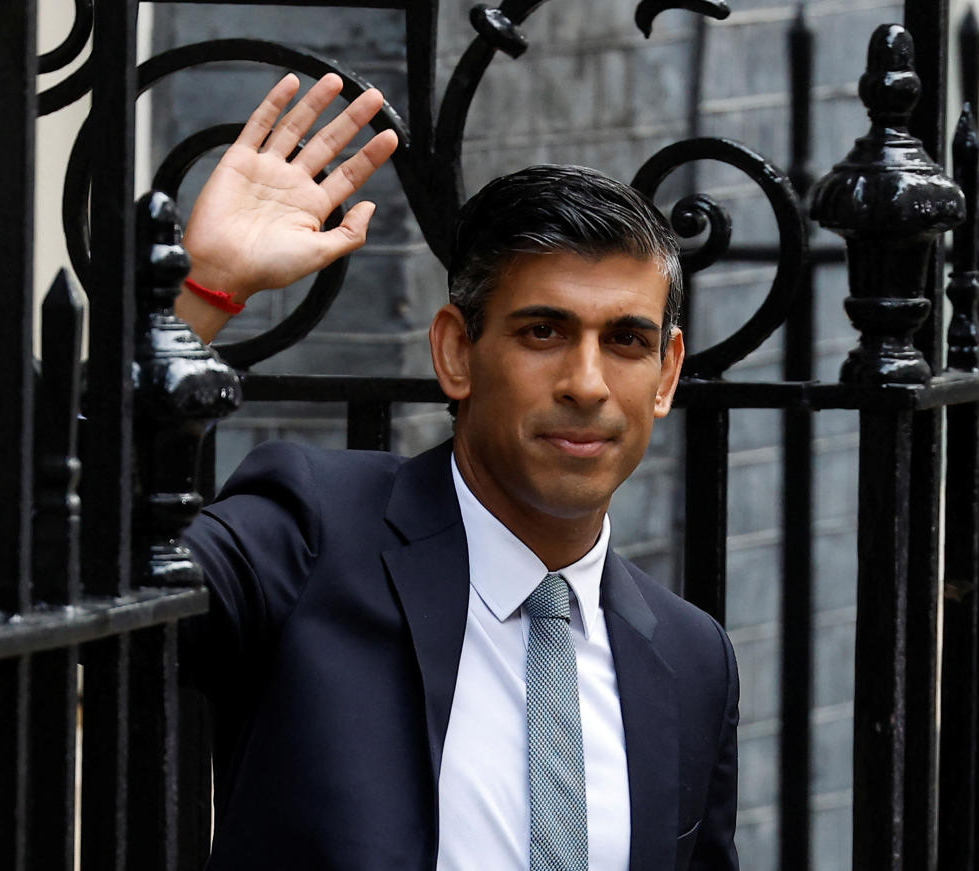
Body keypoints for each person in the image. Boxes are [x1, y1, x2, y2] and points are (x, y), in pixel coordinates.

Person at [178, 72, 739, 871]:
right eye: (543, 331)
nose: (586, 382)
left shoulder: (692, 659)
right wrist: (201, 300)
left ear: (666, 372)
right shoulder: (310, 534)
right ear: (454, 351)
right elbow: (64, 580)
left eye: (625, 340)